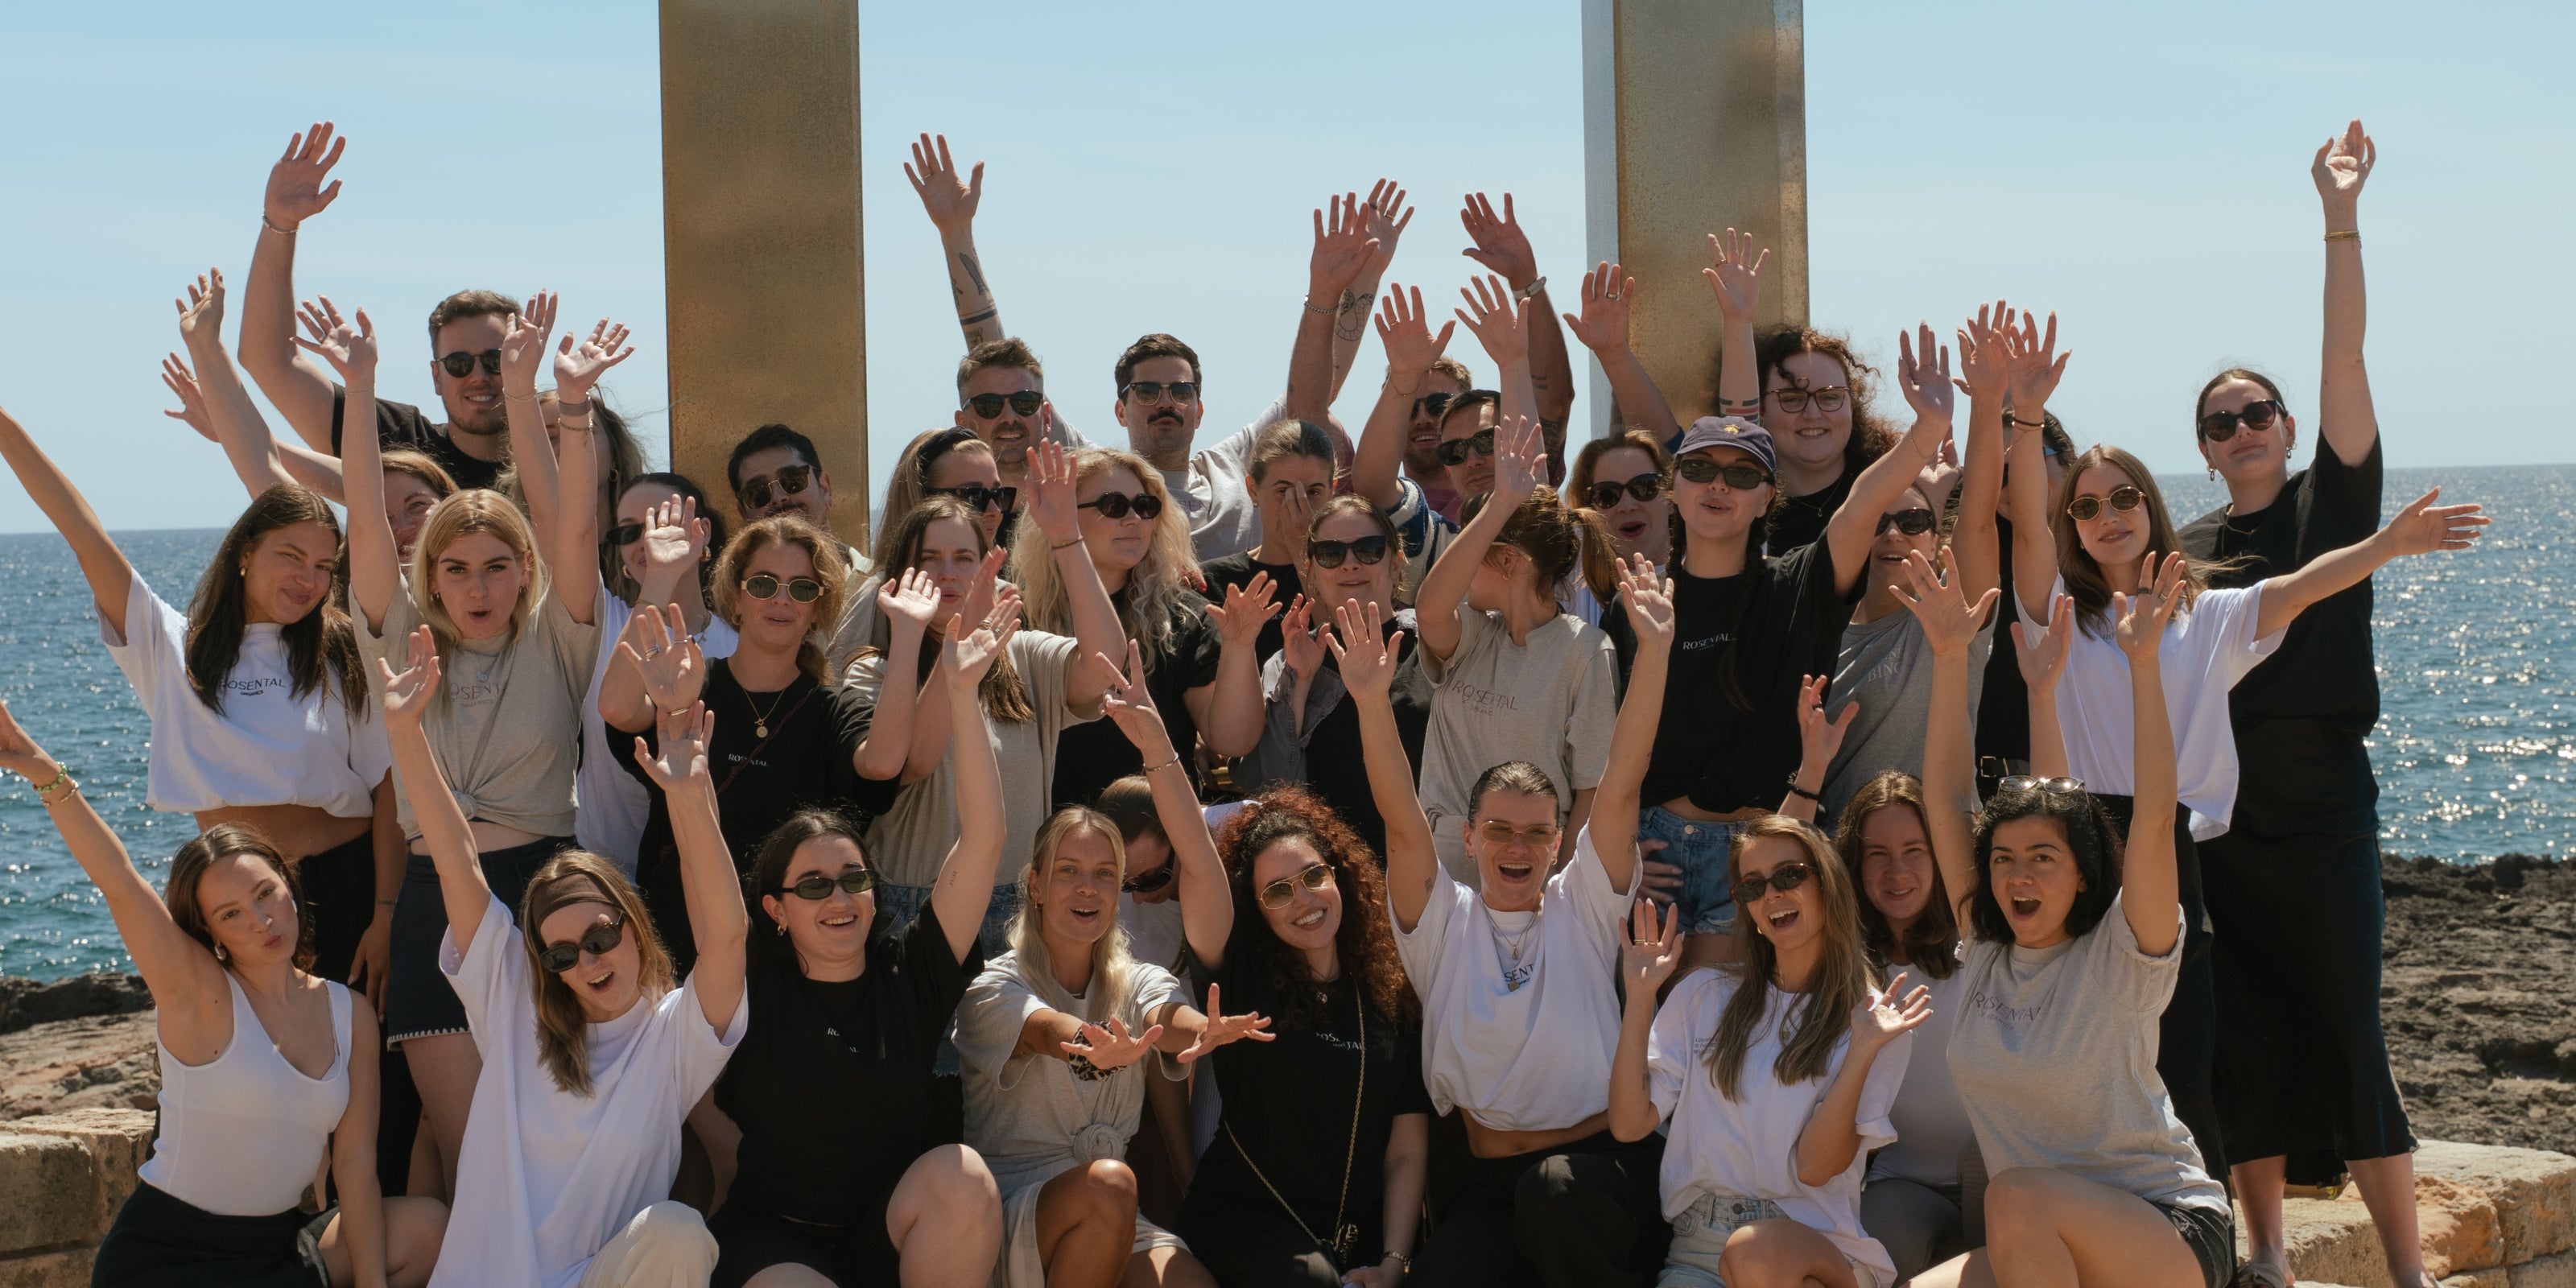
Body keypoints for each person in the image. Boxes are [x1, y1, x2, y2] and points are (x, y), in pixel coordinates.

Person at [2001, 311, 2486, 1186]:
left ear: (2151, 508)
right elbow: (2026, 533)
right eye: (2085, 506)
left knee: (2189, 1064)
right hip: (2078, 846)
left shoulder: (2203, 612)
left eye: (2123, 498)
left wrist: (2386, 544)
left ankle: (2201, 1238)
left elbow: (2299, 588)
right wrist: (2026, 416)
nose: (2106, 516)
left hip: (2174, 850)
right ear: (2069, 525)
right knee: (2086, 1053)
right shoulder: (2060, 616)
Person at [2176, 121, 2436, 1288]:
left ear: (2285, 429)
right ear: (2202, 448)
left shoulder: (2334, 507)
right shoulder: (2180, 551)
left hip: (2326, 807)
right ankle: (2270, 1260)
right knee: (2247, 1041)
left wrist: (2339, 217)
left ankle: (2407, 1270)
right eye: (2219, 422)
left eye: (2257, 414)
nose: (2241, 430)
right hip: (2221, 819)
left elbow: (2344, 359)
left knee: (2347, 1030)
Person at [0, 700, 446, 1287]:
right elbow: (119, 882)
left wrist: (371, 1284)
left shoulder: (350, 1014)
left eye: (265, 894)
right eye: (232, 914)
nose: (262, 921)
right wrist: (41, 769)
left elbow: (356, 1164)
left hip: (277, 1247)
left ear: (289, 886)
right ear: (211, 932)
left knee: (426, 1229)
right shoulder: (200, 996)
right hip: (170, 1257)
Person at [320, 291, 603, 1197]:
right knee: (472, 1154)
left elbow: (571, 524)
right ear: (428, 577)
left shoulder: (559, 636)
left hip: (543, 890)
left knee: (550, 1149)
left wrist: (552, 400)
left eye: (496, 567)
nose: (477, 588)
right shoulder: (400, 640)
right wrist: (360, 388)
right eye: (455, 569)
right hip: (431, 905)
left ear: (525, 571)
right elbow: (366, 517)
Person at [1907, 545, 2231, 1288]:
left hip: (2166, 1227)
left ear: (2083, 874)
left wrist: (2143, 666)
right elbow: (1945, 800)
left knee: (2014, 1197)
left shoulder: (2125, 951)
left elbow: (2155, 818)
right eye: (2003, 859)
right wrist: (1951, 658)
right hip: (2041, 1235)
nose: (2018, 876)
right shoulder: (1986, 947)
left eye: (2042, 859)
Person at [0, 382, 395, 993]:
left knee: (363, 1050)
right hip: (231, 903)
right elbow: (81, 530)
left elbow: (389, 785)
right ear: (244, 553)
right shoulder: (172, 647)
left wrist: (388, 912)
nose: (308, 579)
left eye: (323, 566)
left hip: (350, 886)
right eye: (291, 556)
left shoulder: (341, 651)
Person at [382, 630, 746, 1288]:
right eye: (560, 954)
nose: (587, 962)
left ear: (635, 928)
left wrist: (690, 795)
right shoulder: (512, 1002)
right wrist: (405, 731)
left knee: (677, 1233)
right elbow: (458, 861)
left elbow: (725, 937)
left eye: (601, 937)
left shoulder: (673, 1039)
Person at [1351, 564, 1664, 1288]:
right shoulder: (1443, 923)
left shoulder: (1585, 905)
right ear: (1469, 838)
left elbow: (1621, 782)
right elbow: (1400, 819)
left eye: (1536, 833)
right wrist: (1370, 700)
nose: (1516, 847)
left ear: (1558, 844)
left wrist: (1654, 653)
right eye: (1498, 830)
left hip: (1598, 1173)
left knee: (1553, 1195)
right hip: (1490, 1182)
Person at [1619, 323, 1954, 963]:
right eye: (1699, 469)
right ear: (1674, 489)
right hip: (1652, 855)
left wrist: (1927, 430)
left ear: (1766, 498)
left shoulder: (1800, 584)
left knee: (1723, 1018)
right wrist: (1617, 847)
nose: (1719, 485)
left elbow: (1862, 506)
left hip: (1766, 854)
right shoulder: (1638, 599)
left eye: (1742, 475)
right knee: (1653, 1023)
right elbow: (1611, 750)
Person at [703, 613, 1016, 1288]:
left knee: (963, 1178)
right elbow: (711, 895)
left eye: (853, 879)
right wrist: (684, 789)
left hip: (886, 1232)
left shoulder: (911, 975)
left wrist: (962, 693)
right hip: (773, 1240)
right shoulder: (751, 981)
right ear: (776, 910)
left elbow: (984, 841)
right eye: (814, 885)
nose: (839, 897)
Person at [1092, 667, 1430, 1288]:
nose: (1303, 900)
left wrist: (1393, 1262)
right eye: (1277, 891)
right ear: (1256, 908)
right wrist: (1160, 748)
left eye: (1313, 877)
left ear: (1339, 875)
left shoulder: (1388, 993)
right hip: (1245, 1221)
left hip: (1357, 1241)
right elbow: (1198, 859)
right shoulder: (1242, 976)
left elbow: (1406, 1149)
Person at [906, 134, 1383, 557]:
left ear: (1200, 409)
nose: (1165, 402)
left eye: (1181, 391)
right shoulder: (1098, 474)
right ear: (1121, 410)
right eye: (1147, 391)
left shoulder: (1234, 466)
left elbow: (1317, 390)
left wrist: (1362, 276)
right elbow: (999, 374)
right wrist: (956, 234)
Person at [952, 789, 1274, 1288]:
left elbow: (1167, 1016)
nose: (1089, 888)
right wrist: (1093, 1045)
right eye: (1069, 871)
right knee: (1112, 1183)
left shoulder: (1139, 978)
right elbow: (1045, 1030)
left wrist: (1203, 1029)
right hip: (1011, 1213)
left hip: (1114, 1211)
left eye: (1105, 874)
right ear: (1036, 885)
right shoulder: (993, 986)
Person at [1608, 815, 1928, 1288]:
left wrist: (1862, 1048)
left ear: (1827, 885)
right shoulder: (1703, 993)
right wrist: (1639, 998)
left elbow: (1816, 1169)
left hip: (1810, 1244)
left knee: (1758, 1254)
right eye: (1753, 886)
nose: (1772, 895)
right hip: (1699, 1246)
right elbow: (1629, 1124)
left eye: (1789, 875)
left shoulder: (1875, 1022)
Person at [603, 517, 903, 972]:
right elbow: (617, 708)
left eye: (802, 589)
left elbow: (882, 765)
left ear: (817, 610)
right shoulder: (690, 684)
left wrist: (907, 636)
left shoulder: (832, 709)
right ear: (736, 598)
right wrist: (660, 577)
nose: (782, 599)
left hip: (790, 959)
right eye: (763, 584)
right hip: (680, 942)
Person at [848, 464, 1121, 950]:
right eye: (928, 558)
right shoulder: (875, 671)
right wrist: (959, 647)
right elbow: (914, 762)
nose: (948, 573)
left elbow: (1105, 664)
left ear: (986, 570)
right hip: (913, 904)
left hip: (1020, 907)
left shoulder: (1023, 655)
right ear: (898, 576)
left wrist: (1067, 538)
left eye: (964, 558)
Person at [1776, 669, 1981, 1282]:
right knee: (1878, 1263)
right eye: (1878, 855)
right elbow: (1776, 867)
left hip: (1997, 1171)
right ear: (1853, 862)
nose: (1897, 873)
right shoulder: (1842, 958)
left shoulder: (1982, 940)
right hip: (1900, 1181)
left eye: (1915, 851)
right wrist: (1811, 771)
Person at [236, 124, 514, 492]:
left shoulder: (565, 451)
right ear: (436, 376)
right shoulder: (404, 447)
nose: (478, 376)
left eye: (495, 360)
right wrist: (280, 224)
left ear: (524, 363)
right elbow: (270, 361)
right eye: (459, 364)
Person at [1816, 303, 2010, 819]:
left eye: (1913, 522)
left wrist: (1987, 401)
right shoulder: (1819, 626)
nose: (1893, 535)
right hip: (1842, 857)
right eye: (1878, 521)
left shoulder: (1950, 620)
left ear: (1934, 535)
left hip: (1943, 852)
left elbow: (1979, 519)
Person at [1411, 416, 1619, 881]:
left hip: (1530, 875)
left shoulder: (1586, 651)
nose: (1458, 563)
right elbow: (1429, 609)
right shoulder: (1472, 632)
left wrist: (1563, 893)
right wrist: (1500, 504)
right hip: (1443, 873)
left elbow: (1592, 791)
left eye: (1471, 546)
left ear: (1507, 559)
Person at [1017, 445, 1265, 807]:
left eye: (1145, 507)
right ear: (1059, 513)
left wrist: (1240, 648)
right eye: (1114, 506)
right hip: (1049, 834)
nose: (1134, 519)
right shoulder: (1020, 617)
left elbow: (1233, 741)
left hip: (1158, 833)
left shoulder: (1184, 617)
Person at [1234, 496, 1433, 858]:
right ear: (1311, 571)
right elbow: (1270, 789)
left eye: (1369, 549)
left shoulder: (1435, 644)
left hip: (1430, 864)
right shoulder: (1287, 661)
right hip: (1333, 874)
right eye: (1331, 553)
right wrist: (1300, 681)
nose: (1350, 564)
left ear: (1396, 562)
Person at [1702, 229, 1897, 553]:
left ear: (1852, 406)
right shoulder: (1743, 506)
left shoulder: (1895, 497)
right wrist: (1737, 322)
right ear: (1761, 411)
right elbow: (1737, 429)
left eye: (1830, 397)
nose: (1813, 413)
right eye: (1791, 398)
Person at [580, 478, 737, 873]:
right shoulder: (601, 621)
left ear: (703, 531)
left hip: (704, 874)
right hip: (604, 875)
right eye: (629, 532)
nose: (649, 540)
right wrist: (660, 577)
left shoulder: (741, 644)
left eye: (664, 521)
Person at [829, 426, 1016, 677]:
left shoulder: (1005, 596)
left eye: (999, 494)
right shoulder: (878, 598)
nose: (994, 510)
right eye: (975, 496)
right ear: (923, 500)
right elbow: (837, 686)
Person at [1199, 419, 1338, 665]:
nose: (1298, 504)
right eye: (1283, 491)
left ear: (1332, 492)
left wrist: (1302, 550)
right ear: (1253, 489)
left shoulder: (1352, 567)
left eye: (1314, 492)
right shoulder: (1214, 581)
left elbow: (1341, 650)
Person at [1563, 427, 1674, 630]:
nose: (1627, 506)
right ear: (1590, 509)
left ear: (1672, 496)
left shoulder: (1706, 570)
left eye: (1644, 487)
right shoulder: (1572, 584)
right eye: (1607, 494)